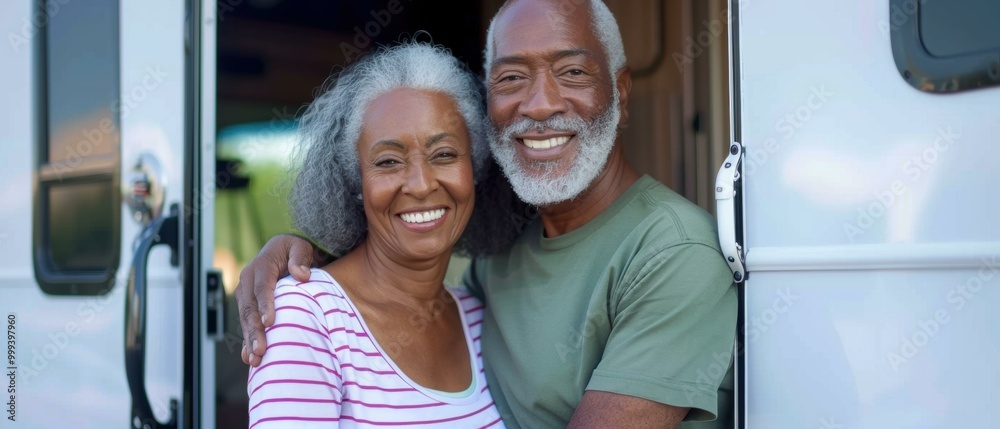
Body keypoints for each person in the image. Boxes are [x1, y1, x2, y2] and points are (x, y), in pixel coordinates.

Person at [239, 1, 738, 428]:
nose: (540, 105)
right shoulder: (495, 269)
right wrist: (307, 257)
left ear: (620, 92)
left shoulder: (675, 253)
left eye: (572, 72)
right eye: (512, 78)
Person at [246, 42, 517, 428]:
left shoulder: (479, 319)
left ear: (474, 170)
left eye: (444, 154)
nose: (421, 185)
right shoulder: (306, 317)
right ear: (356, 182)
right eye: (389, 161)